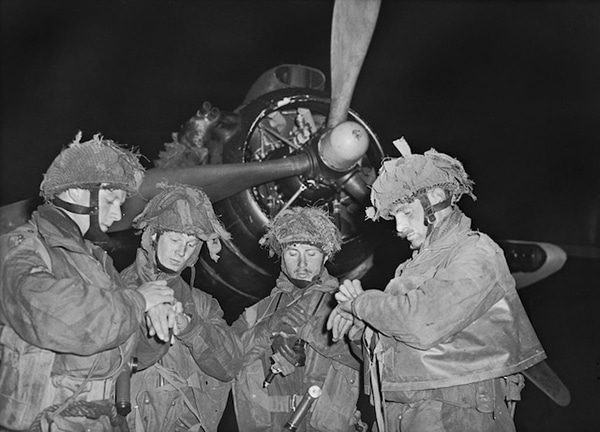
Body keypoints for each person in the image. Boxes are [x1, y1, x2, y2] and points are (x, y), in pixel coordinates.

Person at [327, 140, 547, 432]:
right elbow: (391, 352)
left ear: (435, 198)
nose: (398, 227)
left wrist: (361, 303)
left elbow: (420, 323)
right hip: (409, 412)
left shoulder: (476, 252)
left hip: (457, 413)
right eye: (394, 218)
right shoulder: (414, 267)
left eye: (405, 212)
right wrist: (361, 328)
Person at [0, 133, 175, 432]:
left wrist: (157, 325)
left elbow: (122, 352)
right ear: (78, 193)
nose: (119, 213)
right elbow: (57, 318)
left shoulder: (97, 262)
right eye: (111, 199)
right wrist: (138, 301)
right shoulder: (21, 248)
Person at [120, 182, 242, 432]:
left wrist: (190, 327)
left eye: (190, 245)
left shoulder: (203, 304)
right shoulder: (115, 290)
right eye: (175, 239)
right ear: (154, 235)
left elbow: (229, 367)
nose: (181, 252)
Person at [230, 206, 364, 432]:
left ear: (325, 256)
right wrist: (267, 329)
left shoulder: (346, 307)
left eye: (311, 254)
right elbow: (226, 359)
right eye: (293, 253)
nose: (302, 264)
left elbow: (373, 363)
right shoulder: (259, 312)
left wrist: (316, 332)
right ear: (282, 257)